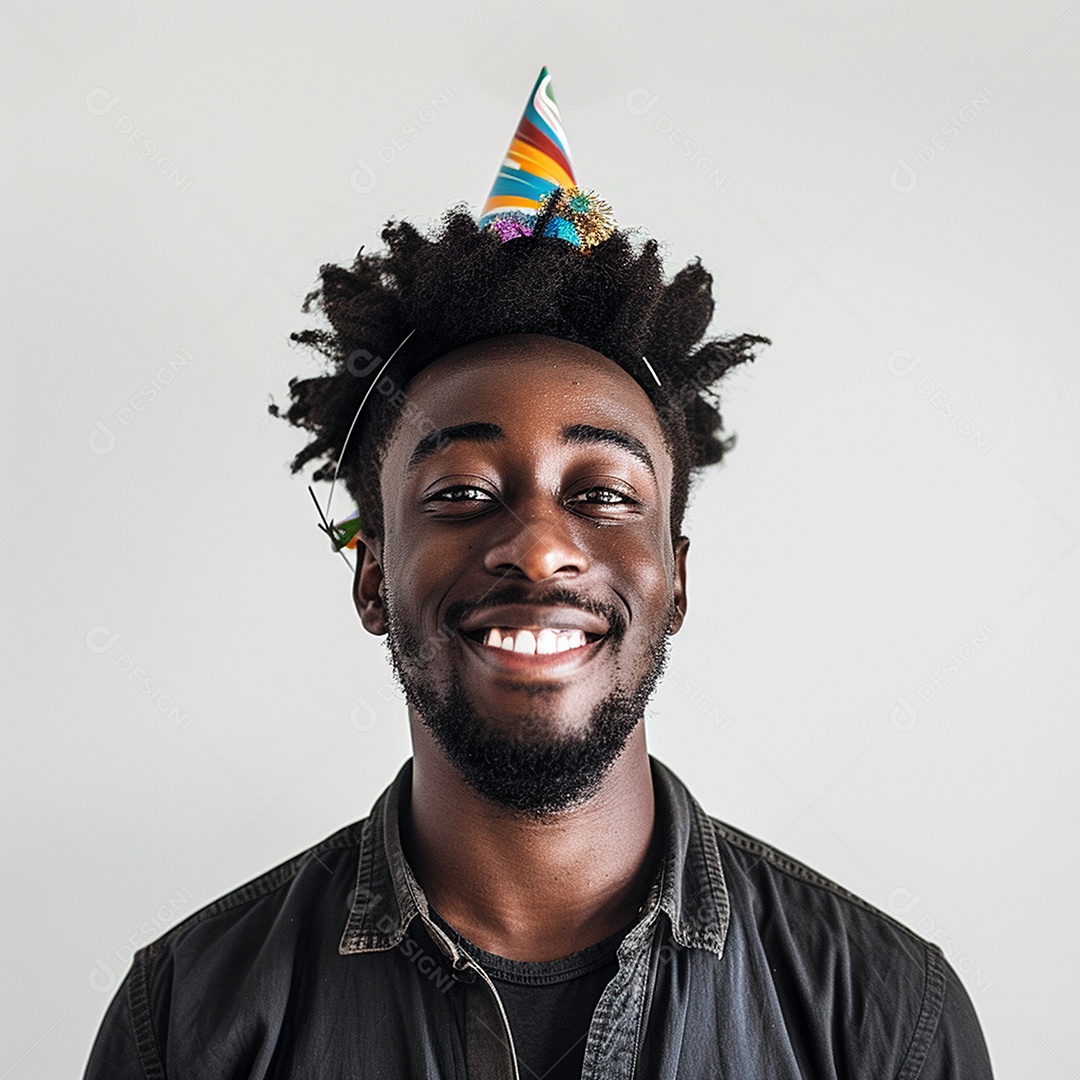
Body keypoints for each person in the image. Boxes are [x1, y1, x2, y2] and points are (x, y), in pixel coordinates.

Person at [84, 69, 994, 1079]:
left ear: (675, 580)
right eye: (462, 491)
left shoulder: (882, 1019)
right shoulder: (188, 1022)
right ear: (372, 578)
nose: (540, 545)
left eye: (602, 492)